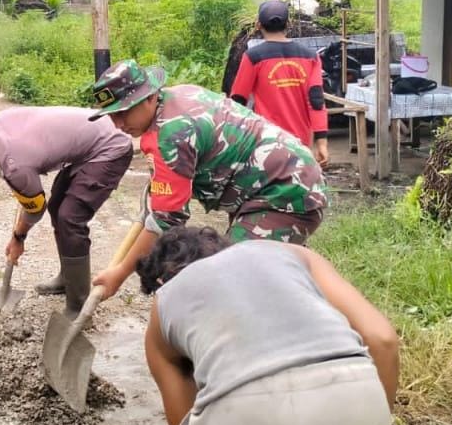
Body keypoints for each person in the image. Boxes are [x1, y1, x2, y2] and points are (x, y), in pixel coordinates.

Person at [138, 225, 399, 425]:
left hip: (247, 416)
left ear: (159, 283)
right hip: (357, 397)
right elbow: (382, 339)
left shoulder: (164, 302)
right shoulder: (292, 254)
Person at [88, 59, 328, 301]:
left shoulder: (171, 134)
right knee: (268, 273)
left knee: (232, 278)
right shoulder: (175, 97)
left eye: (123, 112)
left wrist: (118, 274)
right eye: (111, 115)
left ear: (149, 96)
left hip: (284, 192)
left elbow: (167, 220)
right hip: (275, 182)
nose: (118, 124)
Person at [0, 107, 132, 316]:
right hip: (94, 138)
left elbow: (35, 209)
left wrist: (18, 237)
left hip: (111, 146)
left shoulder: (15, 166)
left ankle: (78, 307)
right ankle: (67, 278)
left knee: (70, 218)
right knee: (57, 205)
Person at [229, 0, 329, 167]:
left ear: (258, 25)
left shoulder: (253, 57)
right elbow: (316, 101)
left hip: (267, 143)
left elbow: (238, 100)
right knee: (297, 190)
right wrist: (322, 143)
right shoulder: (310, 57)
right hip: (301, 144)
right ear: (288, 24)